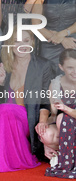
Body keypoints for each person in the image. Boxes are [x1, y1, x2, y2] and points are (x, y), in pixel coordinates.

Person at [0, 29, 50, 173]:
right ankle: (13, 150)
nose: (21, 45)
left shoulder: (42, 66)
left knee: (4, 109)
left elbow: (45, 98)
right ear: (10, 44)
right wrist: (1, 83)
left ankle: (11, 158)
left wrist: (43, 120)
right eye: (16, 41)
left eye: (26, 41)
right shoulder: (4, 65)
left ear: (32, 42)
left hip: (28, 118)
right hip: (4, 118)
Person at [38, 49, 76, 178]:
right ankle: (63, 155)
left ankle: (69, 158)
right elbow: (53, 115)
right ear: (61, 67)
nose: (75, 71)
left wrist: (67, 110)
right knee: (53, 126)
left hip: (70, 122)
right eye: (70, 67)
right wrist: (43, 136)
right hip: (67, 128)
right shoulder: (55, 84)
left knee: (63, 118)